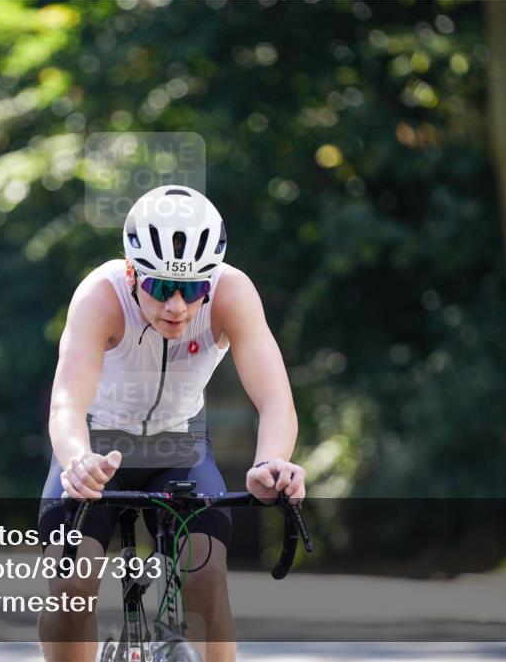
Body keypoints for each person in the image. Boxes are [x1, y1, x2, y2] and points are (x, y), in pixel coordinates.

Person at [37, 185, 306, 662]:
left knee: (207, 577)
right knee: (70, 586)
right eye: (161, 288)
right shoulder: (101, 295)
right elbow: (66, 403)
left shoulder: (233, 292)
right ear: (131, 273)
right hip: (97, 445)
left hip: (180, 445)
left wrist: (271, 463)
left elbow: (276, 401)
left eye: (194, 289)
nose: (177, 306)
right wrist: (77, 460)